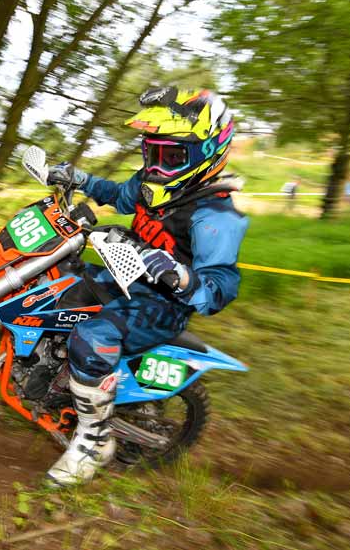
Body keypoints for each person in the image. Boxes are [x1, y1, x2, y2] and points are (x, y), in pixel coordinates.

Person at [43, 86, 249, 487]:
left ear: (207, 153)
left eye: (170, 157)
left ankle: (94, 441)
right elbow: (119, 195)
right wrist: (81, 179)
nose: (156, 165)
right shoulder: (153, 182)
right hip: (124, 276)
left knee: (91, 338)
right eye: (151, 153)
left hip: (164, 304)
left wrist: (179, 274)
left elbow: (220, 287)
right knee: (55, 285)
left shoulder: (215, 216)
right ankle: (53, 376)